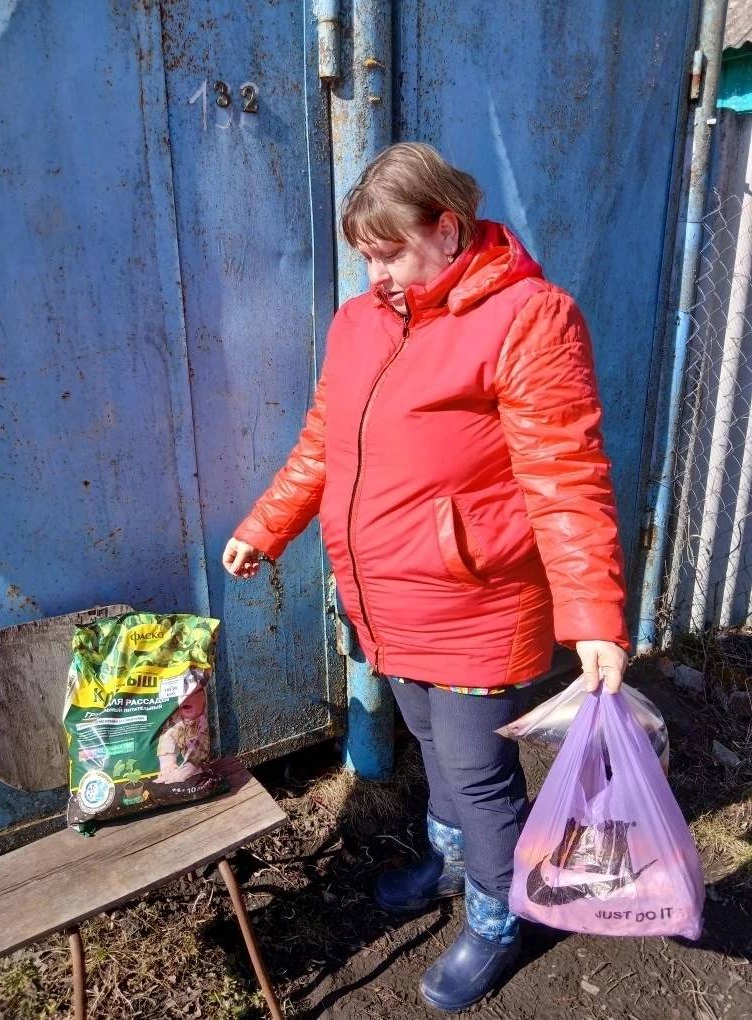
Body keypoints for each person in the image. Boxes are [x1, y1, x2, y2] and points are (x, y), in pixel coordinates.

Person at [222, 142, 629, 1012]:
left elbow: (565, 476)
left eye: (390, 252)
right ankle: (450, 863)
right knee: (431, 744)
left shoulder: (529, 317)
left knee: (479, 772)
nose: (377, 275)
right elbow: (323, 442)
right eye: (365, 257)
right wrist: (268, 524)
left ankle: (498, 917)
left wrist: (593, 615)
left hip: (478, 599)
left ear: (447, 228)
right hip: (385, 597)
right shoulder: (360, 322)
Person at [155, 683, 210, 784]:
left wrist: (189, 768)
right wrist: (167, 763)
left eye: (192, 694)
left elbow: (201, 747)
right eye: (182, 696)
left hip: (199, 765)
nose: (185, 699)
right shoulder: (177, 720)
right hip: (183, 766)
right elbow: (167, 737)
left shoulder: (203, 722)